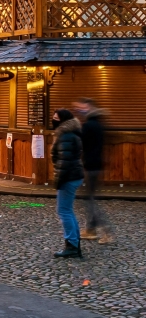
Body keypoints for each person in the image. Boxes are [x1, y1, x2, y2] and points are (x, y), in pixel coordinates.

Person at [74, 97, 114, 244]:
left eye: (81, 107)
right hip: (96, 165)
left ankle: (107, 232)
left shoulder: (89, 125)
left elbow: (80, 143)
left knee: (90, 201)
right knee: (89, 198)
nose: (79, 110)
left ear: (88, 107)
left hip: (91, 166)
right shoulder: (98, 123)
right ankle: (90, 229)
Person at [51, 108, 85, 259]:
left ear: (62, 120)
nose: (53, 119)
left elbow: (64, 161)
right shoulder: (71, 133)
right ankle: (74, 243)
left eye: (56, 117)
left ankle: (71, 245)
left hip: (68, 177)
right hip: (74, 175)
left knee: (64, 210)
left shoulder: (65, 135)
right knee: (68, 210)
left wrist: (59, 181)